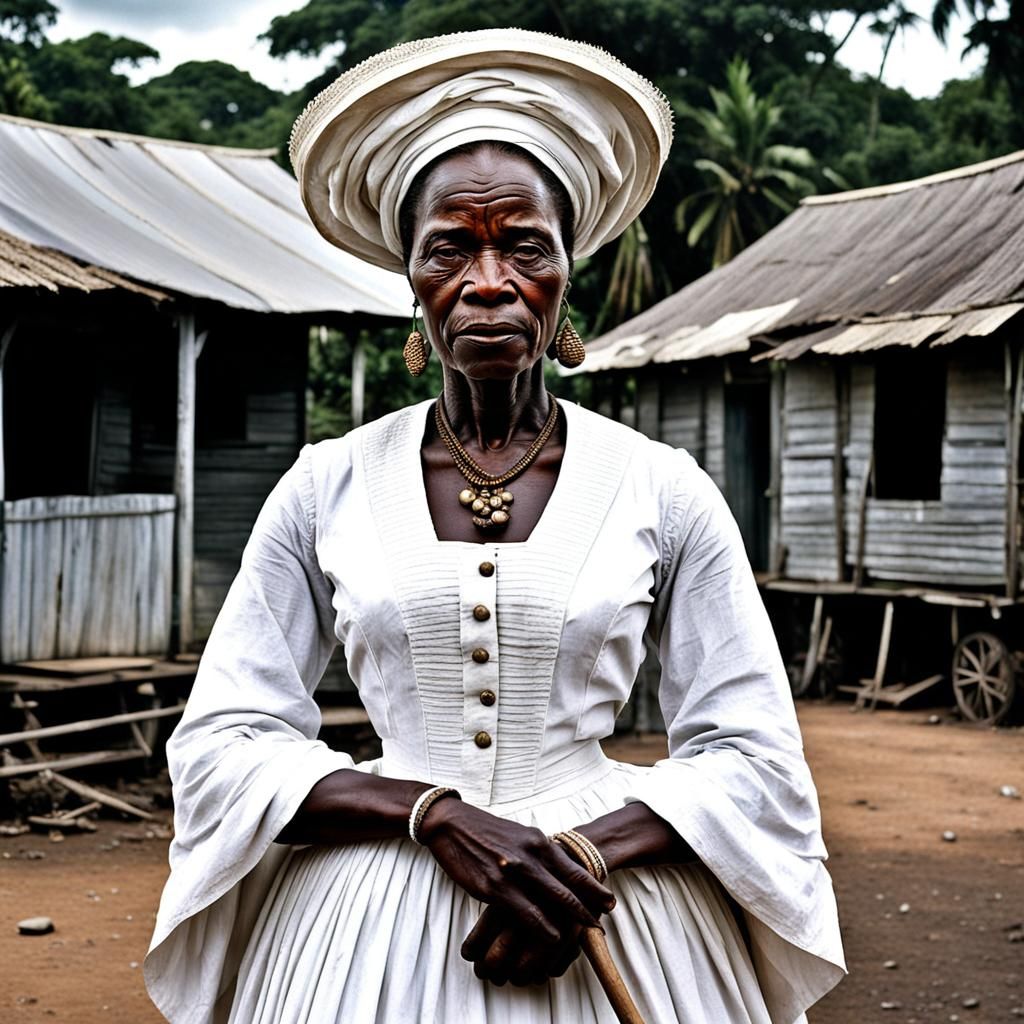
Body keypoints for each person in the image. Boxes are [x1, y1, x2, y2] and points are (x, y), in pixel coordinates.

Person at [145, 29, 844, 1024]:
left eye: (523, 245)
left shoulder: (662, 488)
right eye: (450, 247)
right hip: (368, 921)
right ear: (412, 281)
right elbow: (224, 741)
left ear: (566, 274)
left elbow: (751, 754)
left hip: (608, 903)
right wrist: (429, 813)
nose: (487, 280)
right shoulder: (321, 486)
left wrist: (588, 852)